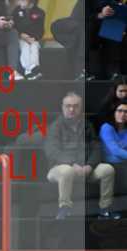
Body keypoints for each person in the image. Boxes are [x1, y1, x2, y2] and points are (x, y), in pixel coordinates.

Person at [45, 91, 120, 220]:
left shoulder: (87, 125)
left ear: (80, 108)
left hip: (85, 168)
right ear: (62, 107)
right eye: (68, 106)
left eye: (75, 106)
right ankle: (64, 210)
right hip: (59, 169)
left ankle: (105, 209)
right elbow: (52, 151)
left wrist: (89, 166)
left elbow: (96, 148)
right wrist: (73, 164)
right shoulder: (55, 127)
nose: (71, 109)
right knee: (67, 171)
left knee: (107, 169)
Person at [11, 0, 45, 80]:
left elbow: (40, 30)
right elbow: (14, 26)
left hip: (33, 39)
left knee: (34, 47)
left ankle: (32, 68)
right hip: (20, 38)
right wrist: (21, 35)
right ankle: (30, 68)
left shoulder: (40, 12)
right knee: (25, 47)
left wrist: (33, 38)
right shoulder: (16, 11)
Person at [99, 101, 127, 169]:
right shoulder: (106, 127)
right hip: (109, 163)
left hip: (124, 161)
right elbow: (115, 150)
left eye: (126, 112)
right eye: (119, 111)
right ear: (114, 113)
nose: (123, 114)